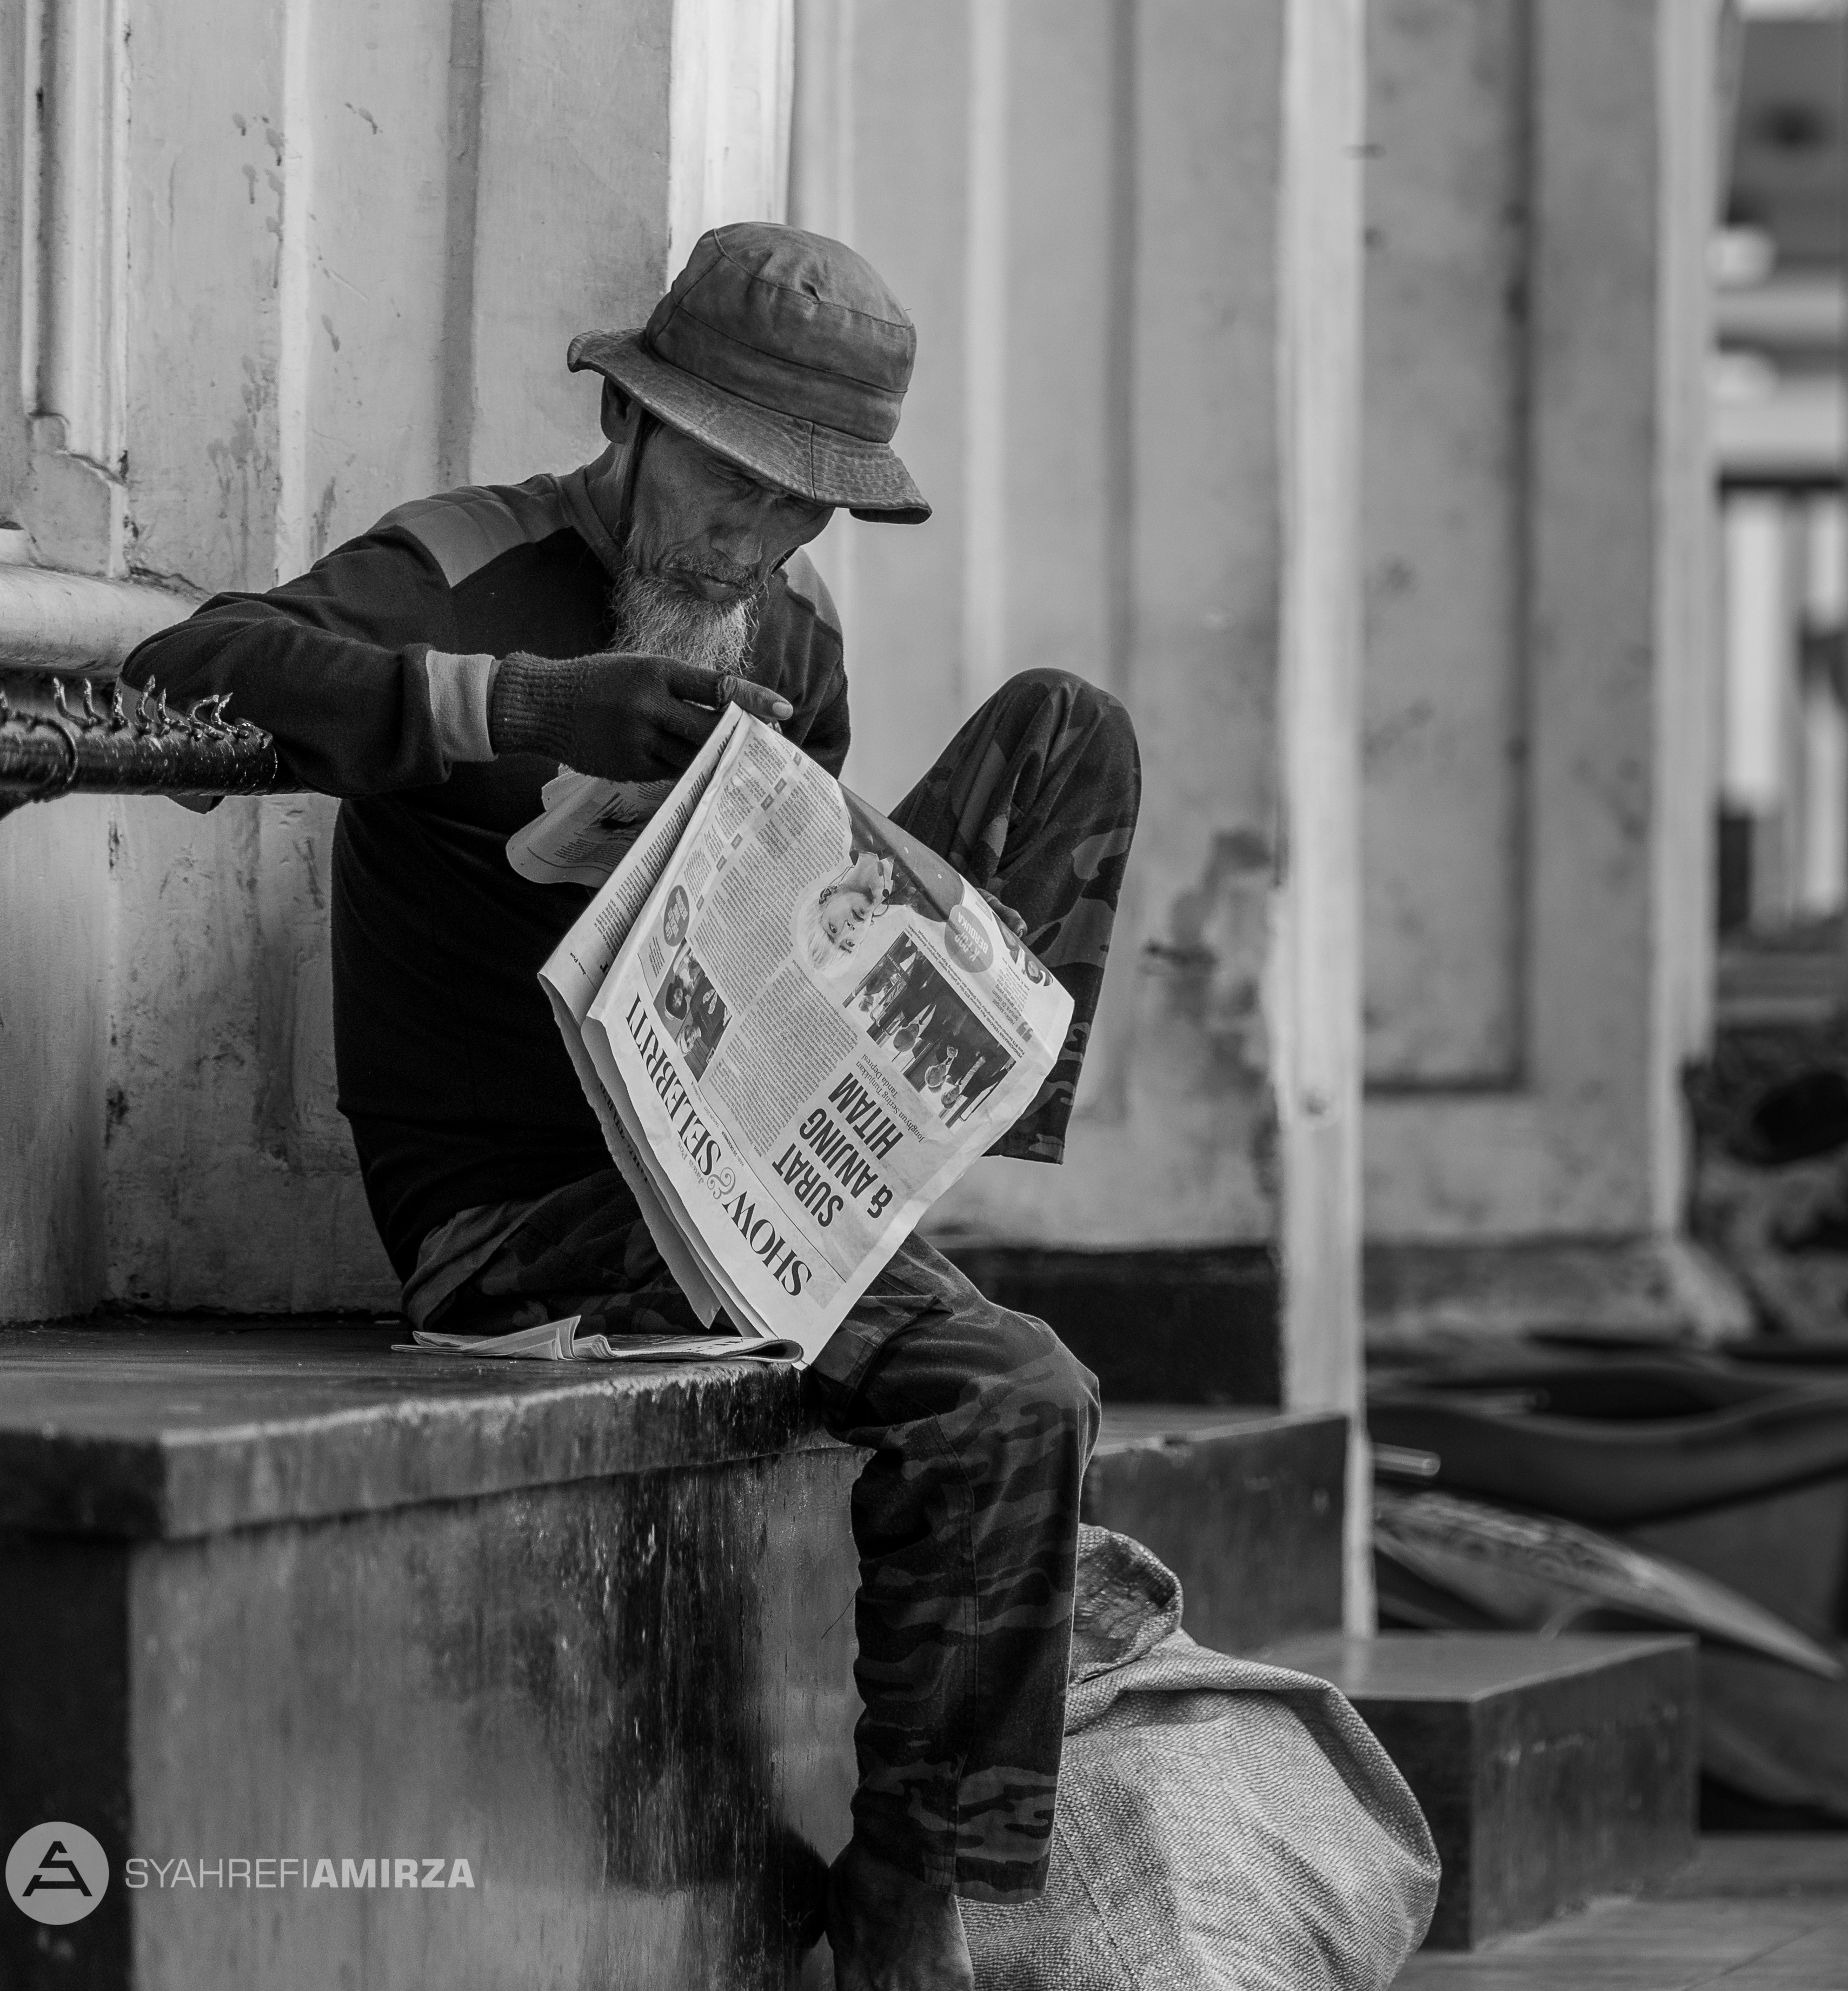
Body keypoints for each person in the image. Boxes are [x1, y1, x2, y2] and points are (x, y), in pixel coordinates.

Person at [122, 221, 1140, 1990]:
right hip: (519, 1223)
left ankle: (917, 1172)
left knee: (1072, 735)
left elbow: (759, 935)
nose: (752, 539)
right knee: (1013, 1393)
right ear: (632, 421)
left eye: (797, 509)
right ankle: (910, 1899)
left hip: (735, 1160)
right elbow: (183, 668)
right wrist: (522, 708)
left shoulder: (793, 633)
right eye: (730, 488)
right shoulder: (470, 562)